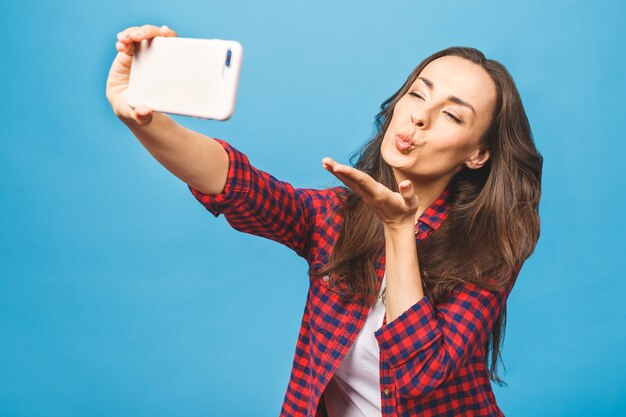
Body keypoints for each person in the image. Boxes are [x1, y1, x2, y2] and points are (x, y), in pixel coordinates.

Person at [107, 24, 542, 417]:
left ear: (478, 153)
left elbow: (419, 374)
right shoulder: (335, 217)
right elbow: (239, 185)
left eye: (451, 114)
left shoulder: (492, 246)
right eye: (417, 93)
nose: (419, 117)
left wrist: (399, 229)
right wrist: (144, 122)